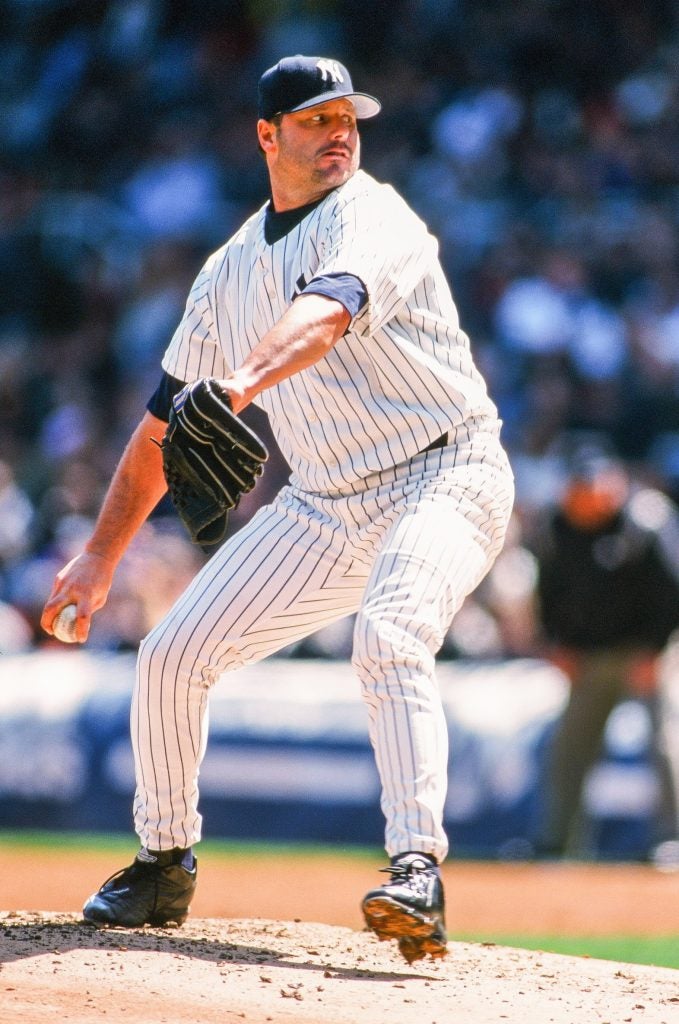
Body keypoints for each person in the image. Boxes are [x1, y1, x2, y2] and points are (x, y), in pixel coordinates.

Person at [41, 55, 514, 962]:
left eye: (348, 115)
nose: (338, 130)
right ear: (267, 136)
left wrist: (240, 386)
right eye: (313, 118)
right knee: (172, 654)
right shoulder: (225, 273)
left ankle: (416, 868)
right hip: (327, 503)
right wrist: (103, 554)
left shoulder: (376, 215)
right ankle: (163, 860)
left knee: (388, 631)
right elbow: (158, 422)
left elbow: (330, 310)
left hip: (444, 473)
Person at [529, 439, 679, 860]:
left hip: (645, 654)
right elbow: (549, 590)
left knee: (667, 744)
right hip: (588, 656)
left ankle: (672, 839)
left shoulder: (645, 520)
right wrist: (554, 642)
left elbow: (672, 592)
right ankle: (557, 844)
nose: (591, 498)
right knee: (568, 749)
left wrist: (654, 648)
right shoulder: (558, 525)